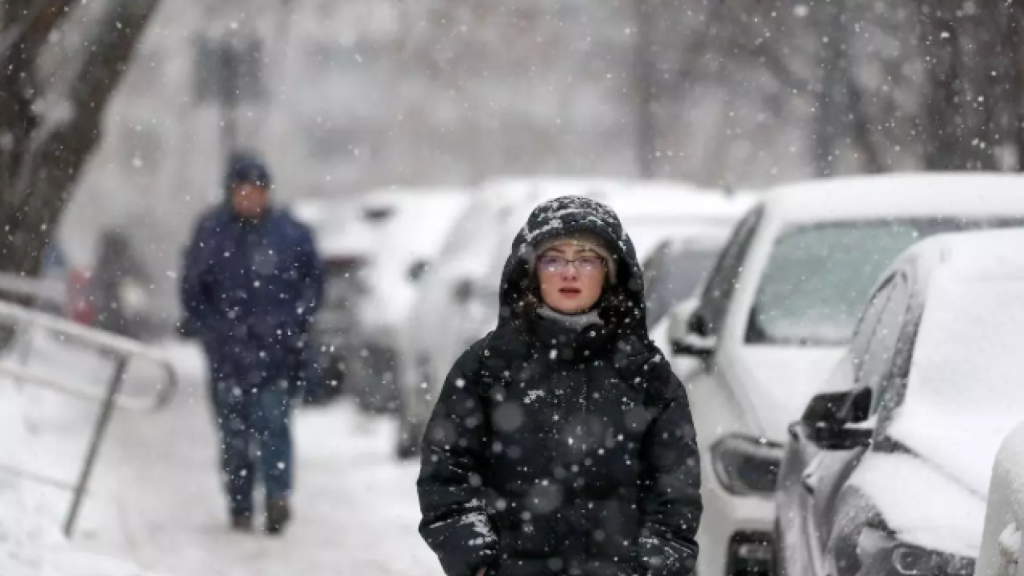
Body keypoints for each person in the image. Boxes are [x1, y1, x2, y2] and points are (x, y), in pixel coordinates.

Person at [418, 196, 702, 576]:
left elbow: (675, 496)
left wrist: (655, 564)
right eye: (554, 259)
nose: (570, 273)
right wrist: (476, 559)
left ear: (610, 272)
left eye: (586, 259)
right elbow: (447, 477)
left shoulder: (646, 376)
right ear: (532, 271)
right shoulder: (487, 368)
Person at [180, 152, 323, 534]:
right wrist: (213, 330)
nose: (250, 198)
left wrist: (294, 324)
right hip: (228, 357)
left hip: (276, 354)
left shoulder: (290, 233)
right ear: (231, 193)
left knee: (274, 425)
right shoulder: (212, 233)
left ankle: (278, 498)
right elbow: (193, 290)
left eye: (256, 190)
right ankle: (240, 504)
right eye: (243, 191)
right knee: (234, 436)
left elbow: (313, 284)